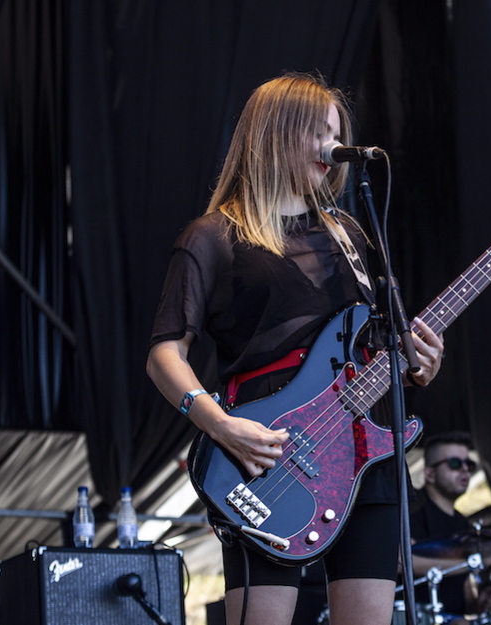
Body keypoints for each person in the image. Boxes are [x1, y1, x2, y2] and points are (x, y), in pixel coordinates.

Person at [146, 72, 444, 625]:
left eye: (336, 134)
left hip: (362, 452)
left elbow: (379, 349)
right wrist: (219, 424)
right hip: (266, 457)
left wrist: (419, 362)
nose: (332, 148)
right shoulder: (212, 235)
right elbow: (164, 353)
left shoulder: (351, 235)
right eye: (317, 132)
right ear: (274, 132)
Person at [408, 431, 491, 623]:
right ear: (429, 473)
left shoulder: (462, 523)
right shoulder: (411, 509)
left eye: (470, 464)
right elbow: (402, 562)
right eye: (455, 464)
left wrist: (478, 603)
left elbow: (462, 591)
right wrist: (473, 563)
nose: (465, 469)